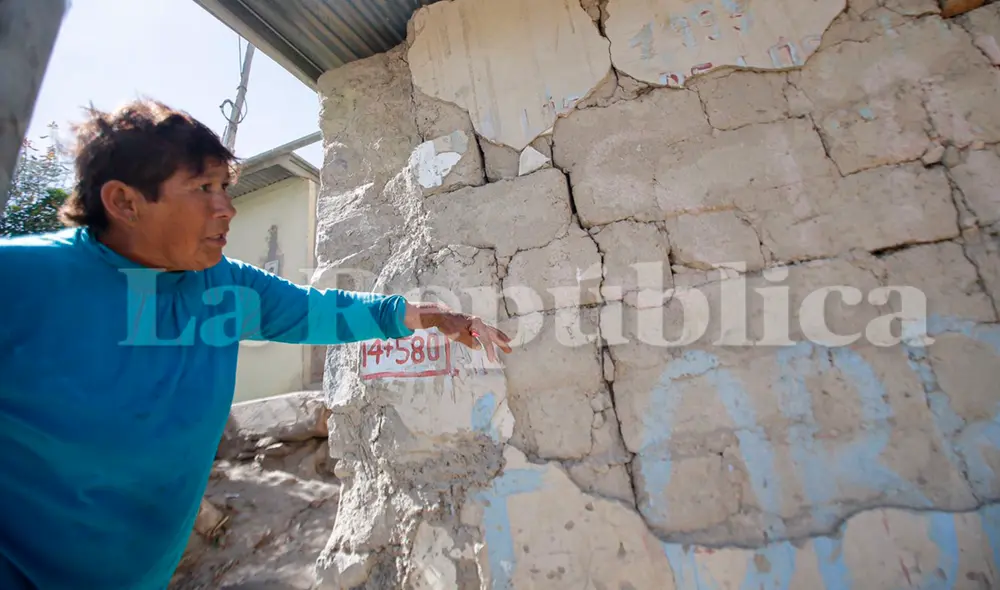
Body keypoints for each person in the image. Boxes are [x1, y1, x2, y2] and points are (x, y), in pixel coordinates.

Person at [0, 99, 512, 589]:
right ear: (124, 202)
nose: (227, 209)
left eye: (225, 186)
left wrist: (439, 317)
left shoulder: (226, 289)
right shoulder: (22, 282)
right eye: (203, 188)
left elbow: (330, 313)